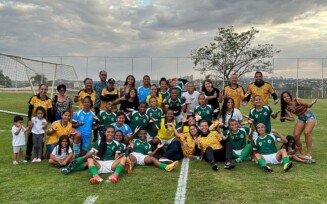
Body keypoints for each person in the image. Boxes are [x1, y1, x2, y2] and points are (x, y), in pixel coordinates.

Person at [280, 91, 317, 161]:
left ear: (290, 96)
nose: (286, 98)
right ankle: (301, 153)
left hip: (309, 115)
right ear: (283, 99)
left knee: (307, 132)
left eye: (287, 96)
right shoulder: (286, 108)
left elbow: (308, 105)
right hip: (300, 118)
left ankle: (308, 154)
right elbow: (292, 118)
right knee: (296, 135)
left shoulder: (297, 100)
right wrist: (285, 118)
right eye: (284, 97)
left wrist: (312, 102)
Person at [25, 84, 52, 161]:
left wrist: (47, 121)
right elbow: (30, 110)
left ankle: (40, 155)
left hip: (43, 122)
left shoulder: (49, 100)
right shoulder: (34, 98)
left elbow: (50, 113)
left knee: (41, 138)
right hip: (33, 121)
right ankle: (28, 155)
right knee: (30, 138)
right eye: (42, 89)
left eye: (45, 89)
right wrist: (29, 120)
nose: (43, 91)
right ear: (39, 89)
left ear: (47, 90)